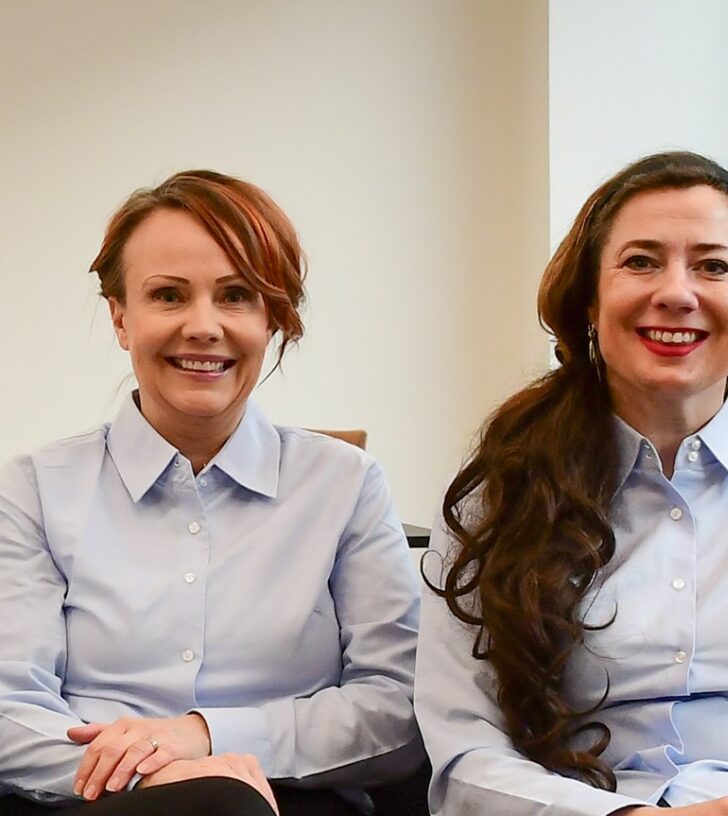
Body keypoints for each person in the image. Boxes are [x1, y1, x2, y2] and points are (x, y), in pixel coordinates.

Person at [415, 151, 728, 816]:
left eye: (713, 266)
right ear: (591, 297)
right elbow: (465, 758)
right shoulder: (496, 497)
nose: (677, 293)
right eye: (641, 261)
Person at [0, 170, 422, 815]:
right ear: (120, 316)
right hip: (98, 802)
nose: (203, 326)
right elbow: (9, 707)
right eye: (168, 295)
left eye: (236, 296)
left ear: (272, 317)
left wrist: (203, 736)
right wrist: (157, 773)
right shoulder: (34, 488)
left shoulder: (347, 484)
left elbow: (397, 707)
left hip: (290, 799)